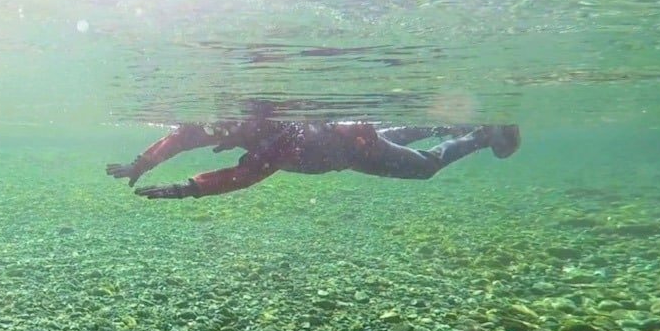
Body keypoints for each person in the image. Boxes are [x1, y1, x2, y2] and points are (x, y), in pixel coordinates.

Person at [106, 120, 520, 198]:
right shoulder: (225, 123)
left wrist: (185, 189)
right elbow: (182, 138)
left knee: (426, 166)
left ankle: (479, 136)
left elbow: (243, 176)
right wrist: (140, 164)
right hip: (348, 146)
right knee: (389, 137)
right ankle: (444, 125)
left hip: (354, 151)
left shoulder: (279, 134)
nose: (219, 131)